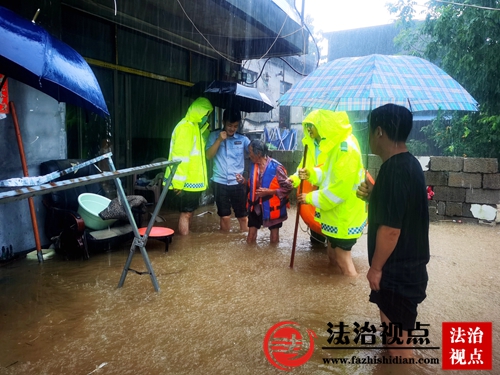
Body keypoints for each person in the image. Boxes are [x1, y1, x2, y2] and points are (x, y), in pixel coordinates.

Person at [356, 103, 430, 358]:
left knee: (398, 350)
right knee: (395, 342)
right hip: (409, 269)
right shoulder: (410, 165)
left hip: (397, 272)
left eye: (368, 130)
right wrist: (375, 196)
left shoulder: (394, 170)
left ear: (379, 132)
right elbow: (402, 211)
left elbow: (390, 230)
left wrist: (376, 268)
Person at [295, 110, 367, 276]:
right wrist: (311, 174)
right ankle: (336, 291)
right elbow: (327, 174)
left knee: (342, 258)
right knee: (332, 254)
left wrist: (309, 197)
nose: (313, 136)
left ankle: (350, 290)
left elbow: (338, 190)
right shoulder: (336, 145)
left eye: (314, 130)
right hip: (335, 216)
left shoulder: (345, 149)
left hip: (344, 216)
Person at [164, 97, 213, 235]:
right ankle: (184, 244)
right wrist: (178, 183)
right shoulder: (186, 127)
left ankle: (186, 240)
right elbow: (180, 157)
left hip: (192, 181)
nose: (206, 117)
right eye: (205, 114)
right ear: (198, 111)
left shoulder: (195, 128)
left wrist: (204, 129)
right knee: (186, 213)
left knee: (189, 213)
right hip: (185, 182)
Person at [238, 140, 292, 244]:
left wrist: (270, 192)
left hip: (272, 207)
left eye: (250, 152)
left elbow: (289, 187)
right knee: (250, 237)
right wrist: (244, 181)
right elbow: (253, 184)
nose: (249, 155)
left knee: (274, 238)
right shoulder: (254, 165)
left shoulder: (277, 168)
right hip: (256, 206)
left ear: (258, 153)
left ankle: (273, 259)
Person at [206, 108, 250, 232]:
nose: (232, 129)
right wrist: (219, 140)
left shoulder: (243, 139)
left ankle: (247, 244)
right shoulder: (214, 136)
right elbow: (208, 156)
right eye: (230, 125)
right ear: (223, 122)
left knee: (243, 216)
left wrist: (247, 178)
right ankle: (225, 243)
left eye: (235, 126)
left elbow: (253, 155)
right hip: (220, 183)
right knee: (225, 217)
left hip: (238, 184)